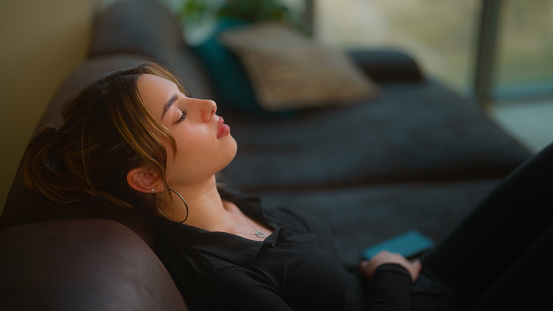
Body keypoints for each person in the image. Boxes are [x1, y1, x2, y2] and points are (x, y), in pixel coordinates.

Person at [23, 62, 553, 310]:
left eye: (189, 94)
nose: (208, 106)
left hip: (423, 280)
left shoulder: (225, 201)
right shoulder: (222, 281)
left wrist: (390, 270)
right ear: (146, 176)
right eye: (180, 113)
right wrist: (390, 274)